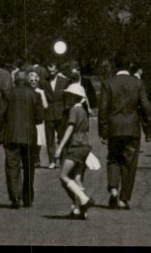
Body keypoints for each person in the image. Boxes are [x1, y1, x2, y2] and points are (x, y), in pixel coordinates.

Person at [98, 55, 151, 210]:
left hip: (114, 128)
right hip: (132, 128)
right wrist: (148, 129)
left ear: (115, 65)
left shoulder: (108, 83)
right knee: (130, 164)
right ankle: (124, 199)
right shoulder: (138, 83)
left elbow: (103, 108)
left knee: (113, 159)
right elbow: (146, 107)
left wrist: (103, 131)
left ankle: (113, 189)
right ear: (130, 66)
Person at [0, 69, 42, 209]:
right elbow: (40, 118)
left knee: (12, 166)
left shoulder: (7, 94)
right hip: (29, 135)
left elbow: (1, 115)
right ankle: (28, 197)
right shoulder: (35, 95)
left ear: (14, 81)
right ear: (27, 81)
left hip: (11, 135)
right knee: (29, 167)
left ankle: (15, 197)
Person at [54, 82, 96, 220]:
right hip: (85, 145)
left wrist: (60, 147)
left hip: (76, 145)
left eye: (69, 95)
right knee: (77, 177)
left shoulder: (73, 110)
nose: (67, 97)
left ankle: (84, 199)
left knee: (64, 175)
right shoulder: (83, 111)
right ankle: (79, 210)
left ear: (74, 96)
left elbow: (70, 127)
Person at [44, 61, 70, 168]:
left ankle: (63, 160)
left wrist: (66, 110)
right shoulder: (44, 82)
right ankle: (52, 161)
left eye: (53, 71)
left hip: (61, 112)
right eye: (49, 71)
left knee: (63, 137)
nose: (51, 73)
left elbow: (67, 97)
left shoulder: (64, 81)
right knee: (50, 139)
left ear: (57, 70)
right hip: (49, 113)